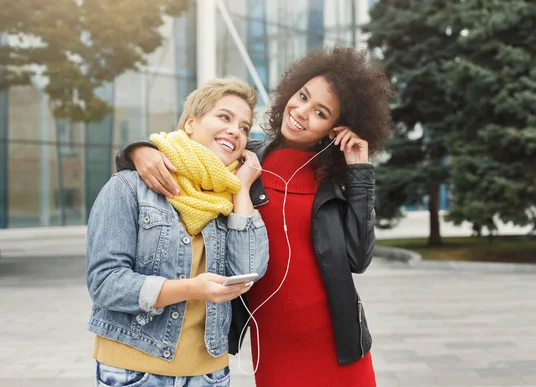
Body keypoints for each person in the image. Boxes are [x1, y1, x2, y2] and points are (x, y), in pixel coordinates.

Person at [116, 47, 393, 386]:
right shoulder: (244, 162)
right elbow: (186, 151)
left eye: (320, 112)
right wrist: (138, 150)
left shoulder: (338, 181)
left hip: (341, 346)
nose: (302, 111)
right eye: (302, 96)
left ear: (335, 128)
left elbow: (358, 258)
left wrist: (360, 170)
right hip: (274, 346)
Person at [87, 77, 269, 387]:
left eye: (244, 127)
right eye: (224, 117)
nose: (235, 131)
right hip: (134, 371)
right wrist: (190, 289)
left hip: (209, 374)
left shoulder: (230, 197)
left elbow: (249, 271)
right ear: (190, 123)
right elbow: (105, 283)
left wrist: (241, 190)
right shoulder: (128, 187)